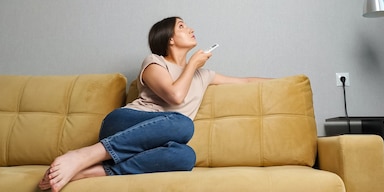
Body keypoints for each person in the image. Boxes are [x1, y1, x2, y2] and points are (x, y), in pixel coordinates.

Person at [38, 16, 267, 192]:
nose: (191, 29)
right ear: (169, 38)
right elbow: (175, 97)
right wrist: (193, 64)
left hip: (156, 141)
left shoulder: (203, 75)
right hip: (124, 125)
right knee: (183, 124)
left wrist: (287, 81)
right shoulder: (154, 62)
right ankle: (85, 155)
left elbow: (245, 81)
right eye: (181, 26)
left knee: (186, 156)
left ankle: (91, 172)